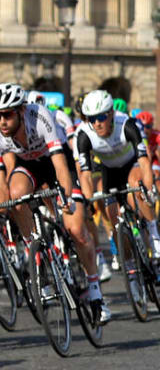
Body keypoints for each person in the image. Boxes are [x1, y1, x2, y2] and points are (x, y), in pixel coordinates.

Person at [0, 82, 103, 323]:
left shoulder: (40, 118)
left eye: (7, 114)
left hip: (56, 162)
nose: (2, 121)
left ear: (21, 111)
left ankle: (96, 292)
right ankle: (35, 250)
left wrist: (66, 199)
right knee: (16, 197)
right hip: (29, 166)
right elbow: (0, 183)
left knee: (77, 230)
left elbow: (59, 165)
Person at [69, 88, 160, 266]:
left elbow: (144, 163)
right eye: (91, 119)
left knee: (138, 186)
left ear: (111, 114)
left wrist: (148, 192)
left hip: (132, 164)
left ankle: (153, 231)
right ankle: (130, 269)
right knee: (114, 218)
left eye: (101, 117)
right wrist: (87, 202)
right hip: (109, 171)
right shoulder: (83, 134)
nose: (97, 124)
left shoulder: (127, 124)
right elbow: (85, 175)